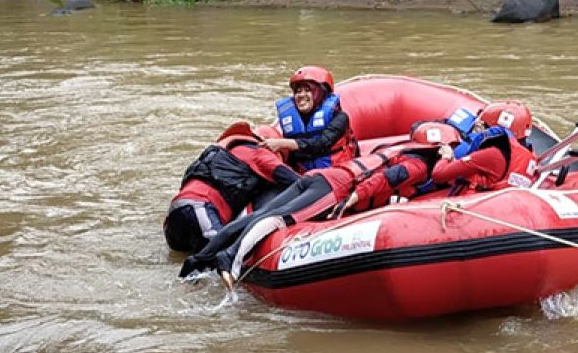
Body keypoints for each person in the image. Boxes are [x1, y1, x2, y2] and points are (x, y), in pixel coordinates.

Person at [179, 122, 456, 283]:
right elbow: (385, 179)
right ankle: (230, 260)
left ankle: (198, 261)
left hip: (320, 177)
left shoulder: (397, 149)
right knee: (277, 219)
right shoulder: (419, 164)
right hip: (335, 189)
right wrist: (352, 201)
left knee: (258, 216)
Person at [163, 123, 298, 254]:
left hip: (174, 214)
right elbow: (298, 181)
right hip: (201, 209)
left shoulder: (224, 152)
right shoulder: (259, 153)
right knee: (219, 261)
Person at [262, 66, 358, 173]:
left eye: (308, 90)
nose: (301, 95)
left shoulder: (340, 118)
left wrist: (283, 143)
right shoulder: (290, 119)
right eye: (298, 91)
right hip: (302, 175)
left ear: (321, 93)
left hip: (335, 173)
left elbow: (320, 144)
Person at [431, 101, 539, 192]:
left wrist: (446, 155)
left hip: (469, 207)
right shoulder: (529, 156)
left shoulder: (492, 154)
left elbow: (438, 175)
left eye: (483, 125)